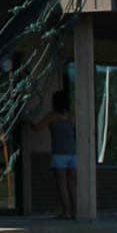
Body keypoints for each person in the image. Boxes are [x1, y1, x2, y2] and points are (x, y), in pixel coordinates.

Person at [47, 90, 77, 219]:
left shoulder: (52, 116)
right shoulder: (72, 116)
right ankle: (76, 211)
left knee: (61, 184)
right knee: (72, 183)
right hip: (73, 153)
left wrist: (27, 122)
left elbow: (37, 128)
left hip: (59, 154)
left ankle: (67, 212)